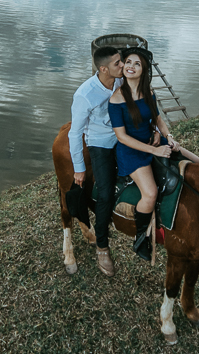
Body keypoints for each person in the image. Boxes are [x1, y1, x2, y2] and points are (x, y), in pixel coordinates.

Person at [108, 47, 199, 260]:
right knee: (150, 194)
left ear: (144, 70)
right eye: (128, 62)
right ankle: (141, 237)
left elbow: (158, 119)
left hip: (153, 141)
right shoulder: (116, 99)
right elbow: (122, 137)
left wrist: (168, 137)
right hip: (131, 152)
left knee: (197, 162)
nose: (131, 67)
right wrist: (154, 150)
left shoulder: (148, 91)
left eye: (137, 64)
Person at [69, 46, 124, 276]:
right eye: (117, 63)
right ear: (103, 69)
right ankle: (102, 246)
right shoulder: (85, 94)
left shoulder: (121, 80)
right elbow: (74, 133)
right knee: (105, 193)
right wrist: (79, 168)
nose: (123, 65)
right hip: (100, 143)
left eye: (121, 61)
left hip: (123, 135)